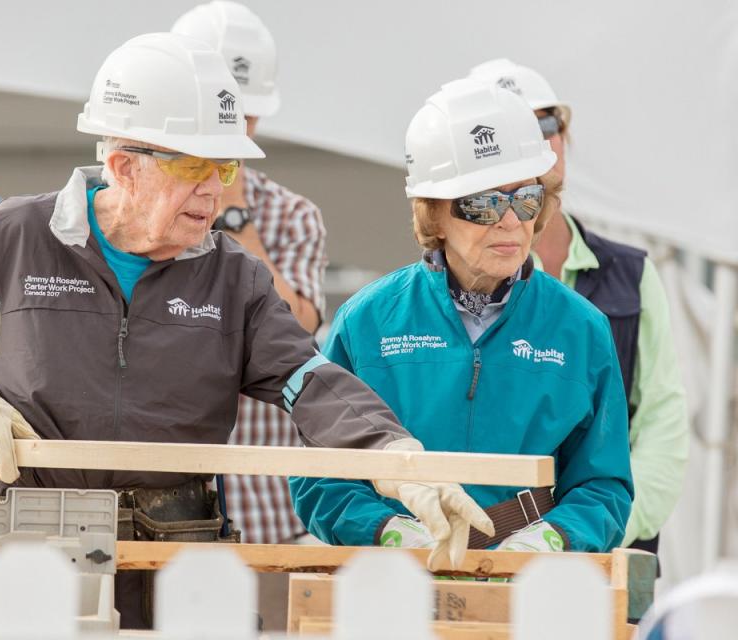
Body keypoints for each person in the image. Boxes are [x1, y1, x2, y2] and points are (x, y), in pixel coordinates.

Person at [0, 33, 491, 628]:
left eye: (225, 166)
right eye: (194, 167)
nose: (217, 188)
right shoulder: (0, 243)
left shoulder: (235, 279)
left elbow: (308, 381)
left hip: (174, 561)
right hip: (17, 558)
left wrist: (397, 457)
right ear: (125, 166)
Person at [290, 79, 634, 555]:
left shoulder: (582, 329)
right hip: (394, 583)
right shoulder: (367, 321)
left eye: (526, 198)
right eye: (484, 203)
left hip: (532, 586)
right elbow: (321, 478)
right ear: (434, 214)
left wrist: (552, 539)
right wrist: (387, 530)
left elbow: (604, 485)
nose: (510, 221)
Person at [469, 59, 688, 553]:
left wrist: (591, 529)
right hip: (487, 549)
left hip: (607, 545)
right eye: (515, 126)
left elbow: (661, 421)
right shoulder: (447, 285)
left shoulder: (631, 273)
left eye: (547, 124)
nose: (539, 139)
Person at [172, 1, 325, 548]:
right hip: (167, 503)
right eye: (222, 110)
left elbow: (297, 331)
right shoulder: (143, 212)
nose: (233, 127)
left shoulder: (292, 214)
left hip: (270, 512)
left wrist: (233, 211)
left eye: (245, 115)